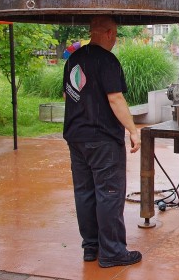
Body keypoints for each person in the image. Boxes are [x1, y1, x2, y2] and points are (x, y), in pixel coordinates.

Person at [63, 16, 142, 268]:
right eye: (115, 34)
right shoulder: (107, 60)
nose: (115, 39)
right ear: (109, 33)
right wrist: (133, 130)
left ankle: (91, 246)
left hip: (76, 137)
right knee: (109, 193)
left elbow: (69, 95)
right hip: (102, 139)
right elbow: (116, 98)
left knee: (84, 192)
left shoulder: (74, 59)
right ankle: (113, 252)